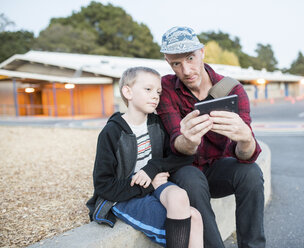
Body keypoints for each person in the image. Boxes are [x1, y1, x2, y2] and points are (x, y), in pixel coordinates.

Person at [157, 26, 266, 248]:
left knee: (251, 173)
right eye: (176, 63)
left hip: (218, 169)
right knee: (191, 179)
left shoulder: (232, 89)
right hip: (184, 169)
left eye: (190, 58)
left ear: (202, 52)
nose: (186, 70)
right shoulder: (166, 88)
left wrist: (246, 139)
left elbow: (246, 156)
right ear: (168, 61)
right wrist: (188, 140)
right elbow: (178, 145)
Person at [86, 67, 203, 248]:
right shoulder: (111, 132)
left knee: (180, 197)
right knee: (192, 219)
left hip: (154, 183)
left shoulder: (156, 124)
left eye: (158, 91)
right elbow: (103, 186)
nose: (155, 96)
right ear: (127, 91)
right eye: (148, 90)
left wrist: (153, 167)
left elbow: (185, 158)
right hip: (124, 196)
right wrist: (149, 183)